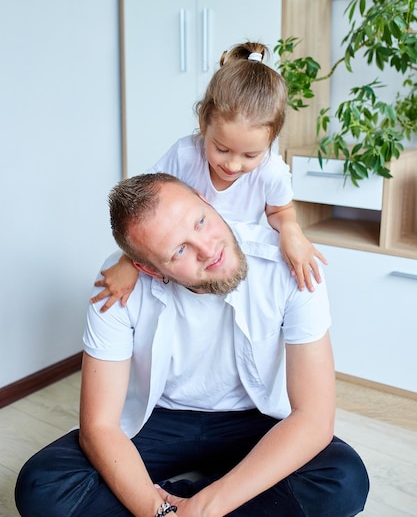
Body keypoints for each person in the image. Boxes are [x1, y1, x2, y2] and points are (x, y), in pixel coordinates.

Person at [15, 173, 369, 517]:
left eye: (200, 222)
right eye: (179, 250)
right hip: (159, 418)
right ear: (150, 269)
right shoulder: (116, 284)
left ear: (205, 200)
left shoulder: (289, 263)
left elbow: (314, 419)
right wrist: (157, 510)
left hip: (254, 418)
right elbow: (100, 428)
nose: (208, 249)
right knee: (43, 486)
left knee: (343, 480)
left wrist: (205, 506)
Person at [91, 42, 327, 312]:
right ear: (203, 123)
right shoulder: (185, 155)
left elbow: (280, 209)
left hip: (231, 265)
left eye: (251, 155)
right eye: (222, 149)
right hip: (187, 271)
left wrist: (290, 230)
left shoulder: (271, 170)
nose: (233, 165)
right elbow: (145, 213)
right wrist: (126, 261)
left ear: (271, 141)